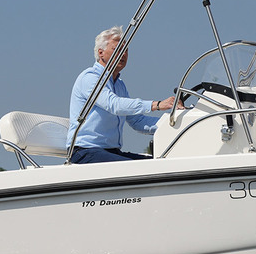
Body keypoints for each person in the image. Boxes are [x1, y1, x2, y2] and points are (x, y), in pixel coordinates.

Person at [66, 26, 179, 163]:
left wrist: (175, 123)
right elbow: (114, 105)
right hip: (85, 152)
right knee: (142, 167)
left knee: (157, 162)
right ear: (101, 53)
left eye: (125, 50)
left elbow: (137, 121)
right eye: (117, 49)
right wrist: (158, 105)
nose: (123, 54)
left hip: (110, 152)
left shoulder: (119, 84)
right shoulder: (89, 78)